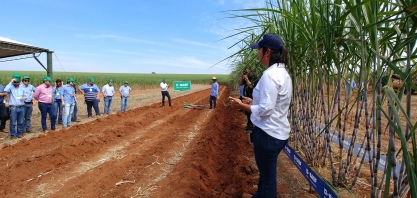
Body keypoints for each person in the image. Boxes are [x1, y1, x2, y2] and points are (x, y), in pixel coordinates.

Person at [229, 34, 292, 198]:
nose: (257, 53)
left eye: (259, 50)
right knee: (265, 175)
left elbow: (265, 110)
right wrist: (253, 100)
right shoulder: (282, 73)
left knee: (269, 180)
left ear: (267, 52)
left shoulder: (269, 76)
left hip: (268, 135)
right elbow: (273, 103)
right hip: (278, 132)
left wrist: (241, 105)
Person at [4, 73, 26, 138]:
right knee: (13, 122)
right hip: (13, 108)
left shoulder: (22, 87)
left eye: (18, 82)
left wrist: (24, 98)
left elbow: (25, 94)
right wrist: (11, 82)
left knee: (21, 122)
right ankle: (13, 135)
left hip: (21, 107)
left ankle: (19, 134)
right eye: (15, 82)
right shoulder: (10, 87)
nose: (17, 83)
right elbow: (5, 90)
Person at [239, 68, 258, 132]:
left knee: (251, 112)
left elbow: (251, 86)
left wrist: (246, 78)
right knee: (247, 112)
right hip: (247, 97)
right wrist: (242, 77)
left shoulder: (254, 77)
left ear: (250, 70)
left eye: (247, 71)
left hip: (252, 97)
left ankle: (251, 127)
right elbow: (240, 84)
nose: (246, 72)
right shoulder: (246, 77)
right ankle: (249, 125)